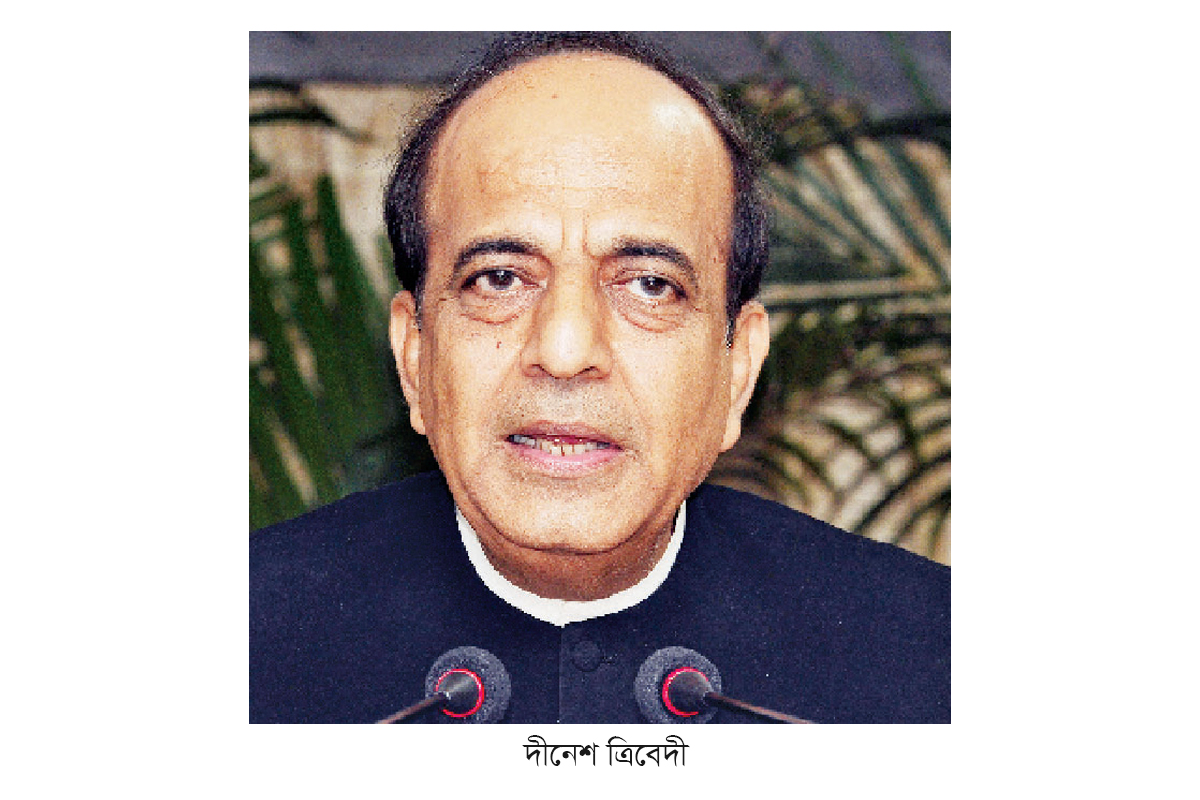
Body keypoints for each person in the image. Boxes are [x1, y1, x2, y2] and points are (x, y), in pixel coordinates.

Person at [250, 32, 949, 724]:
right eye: (499, 279)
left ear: (738, 369)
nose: (564, 349)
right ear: (413, 356)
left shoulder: (930, 657)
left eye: (650, 285)